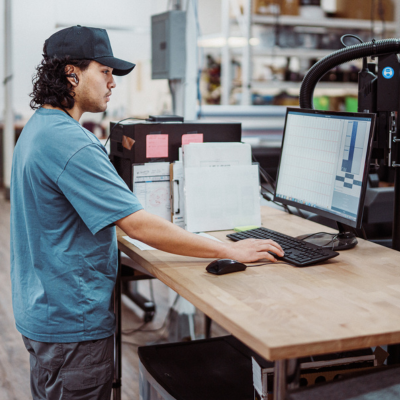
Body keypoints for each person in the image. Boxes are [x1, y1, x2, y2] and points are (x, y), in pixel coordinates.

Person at [10, 25, 284, 400]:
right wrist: (231, 250)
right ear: (72, 73)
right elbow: (137, 224)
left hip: (42, 311)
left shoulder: (38, 127)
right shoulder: (70, 142)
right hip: (72, 323)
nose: (112, 82)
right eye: (104, 71)